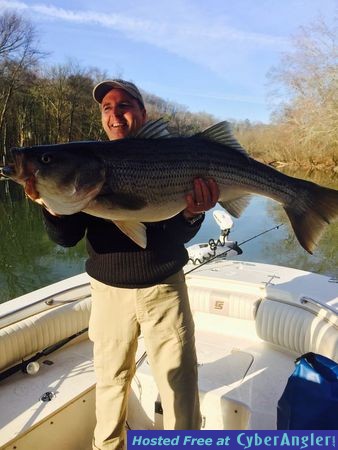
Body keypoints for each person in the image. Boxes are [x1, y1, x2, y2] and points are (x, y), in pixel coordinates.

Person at [41, 79, 220, 450]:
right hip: (108, 293)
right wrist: (54, 207)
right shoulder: (85, 163)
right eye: (106, 108)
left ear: (142, 113)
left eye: (123, 105)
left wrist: (191, 214)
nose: (114, 114)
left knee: (180, 384)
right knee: (109, 381)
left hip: (164, 287)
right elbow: (66, 237)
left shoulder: (171, 155)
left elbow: (177, 237)